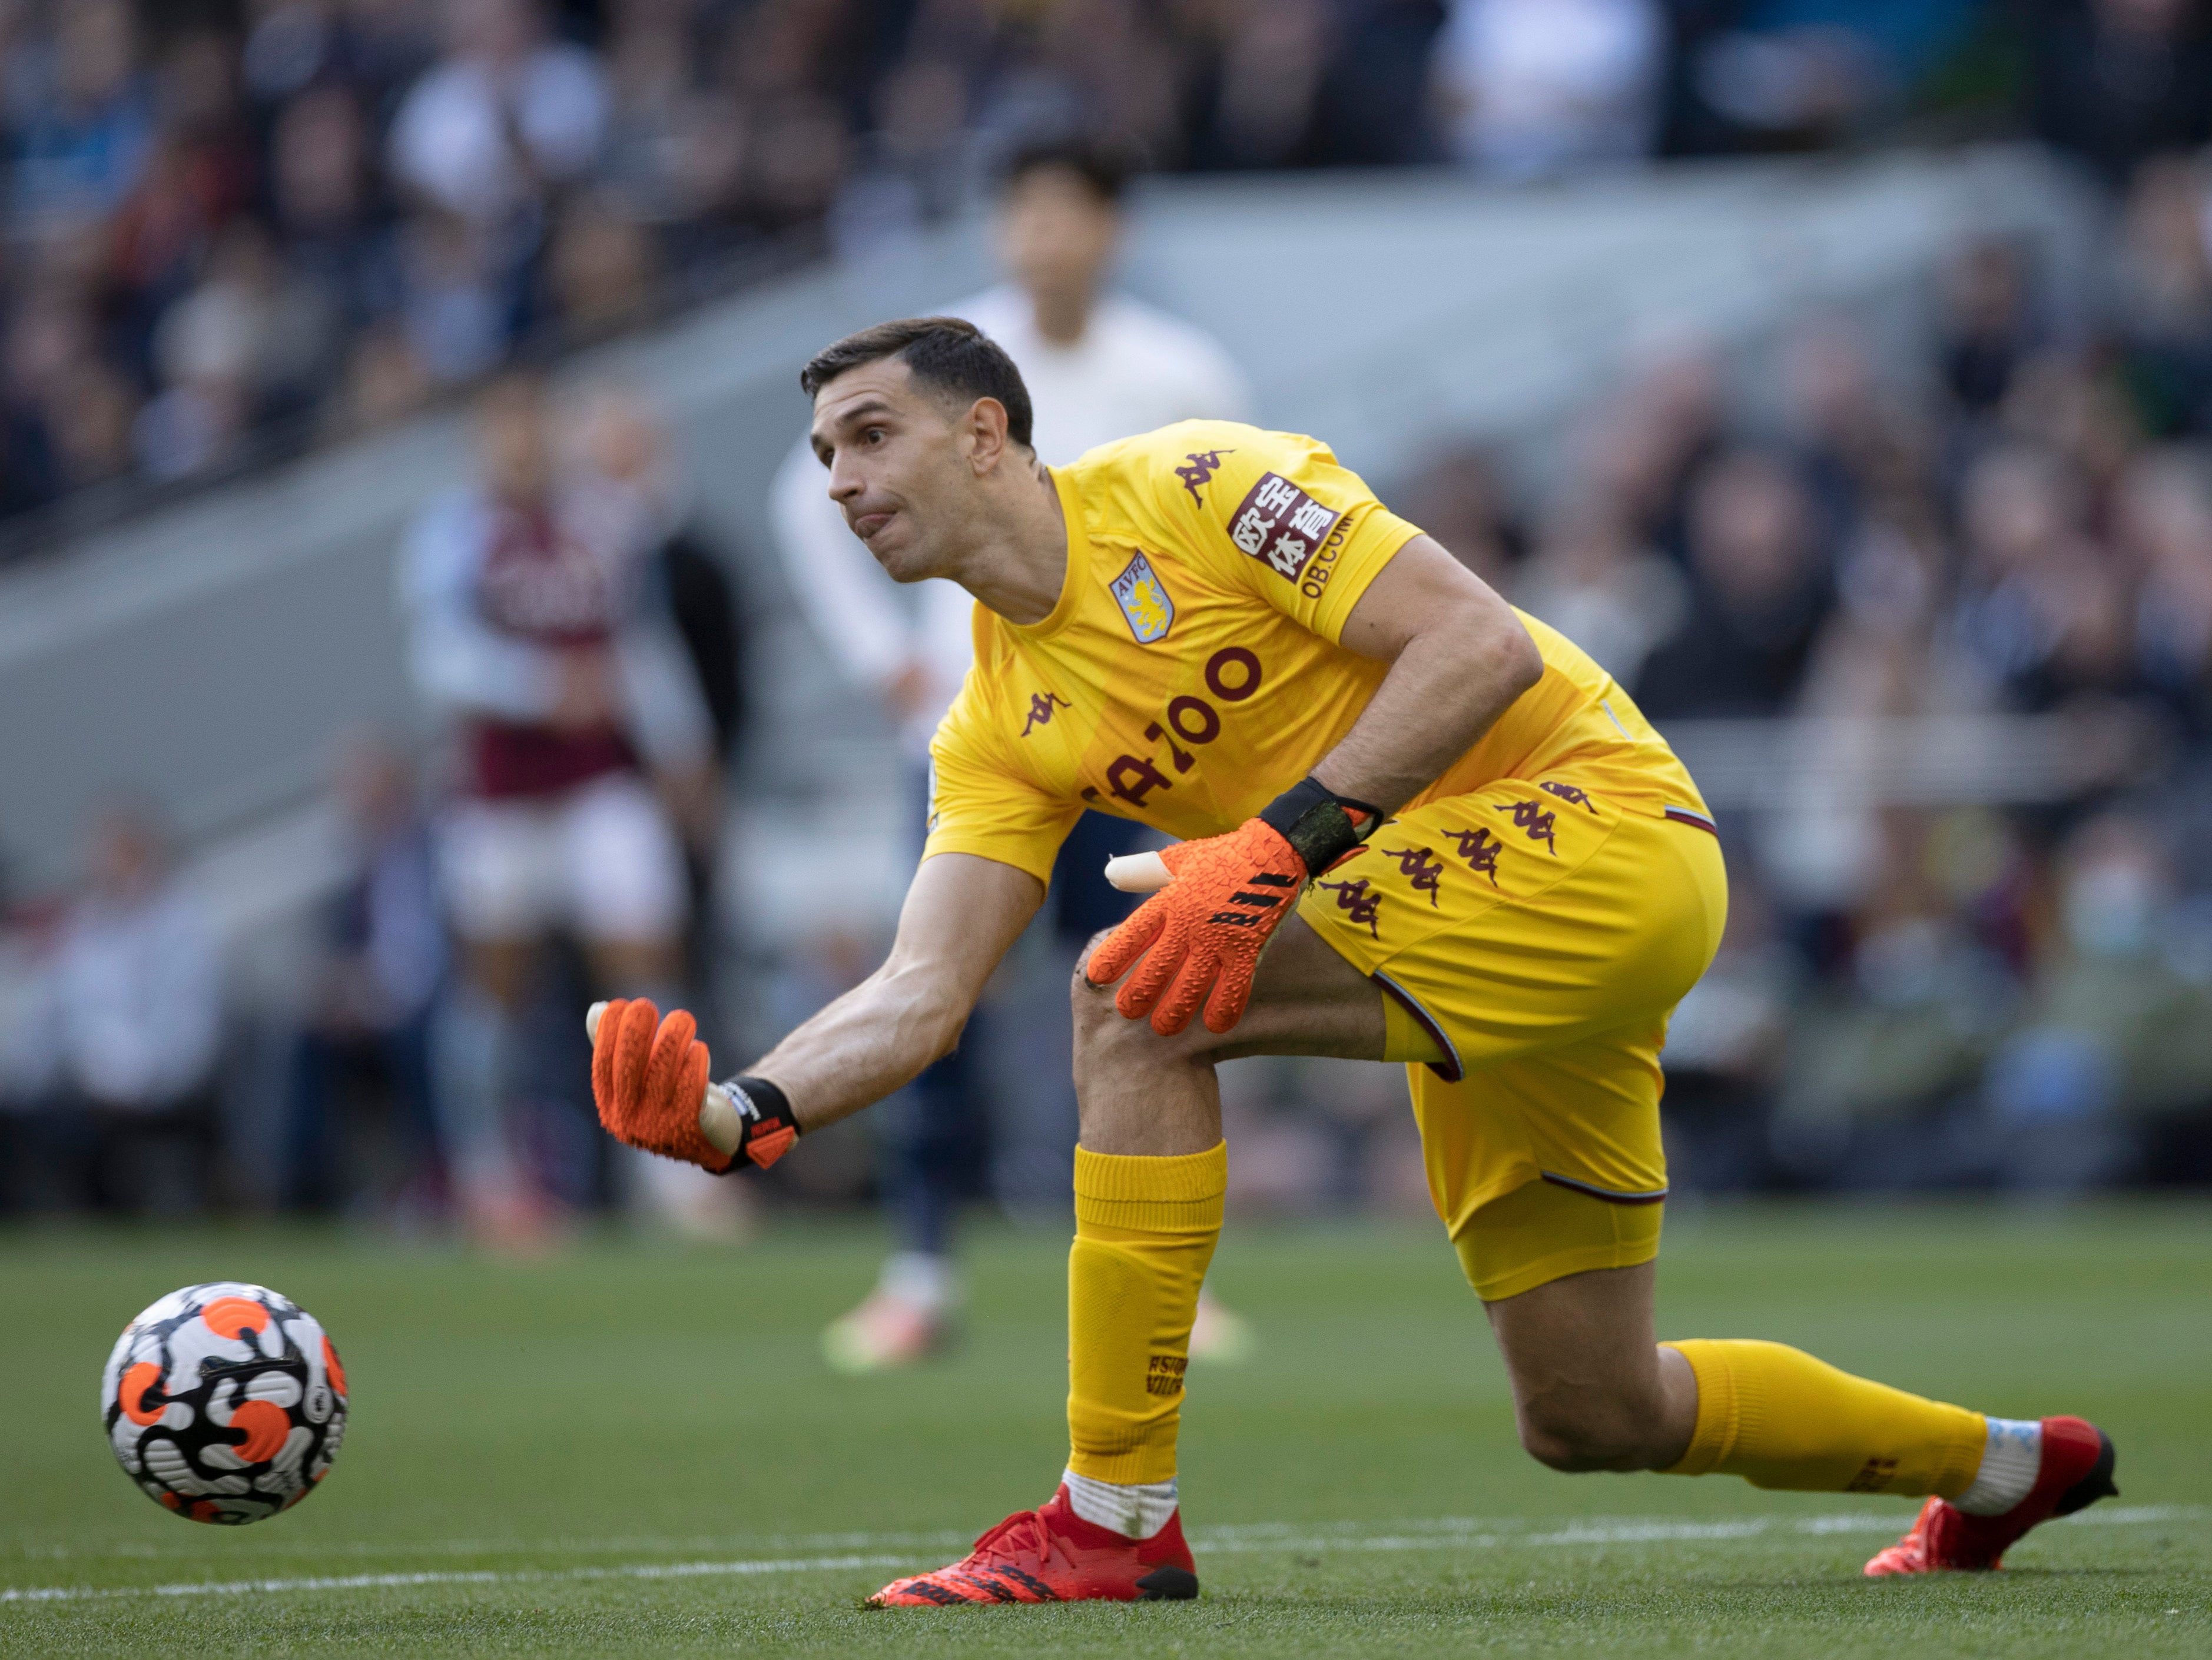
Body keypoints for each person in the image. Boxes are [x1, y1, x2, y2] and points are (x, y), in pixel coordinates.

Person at [588, 318, 2120, 1605]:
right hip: (1454, 933)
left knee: (1129, 998)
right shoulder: (992, 722)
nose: (842, 484)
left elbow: (1478, 646)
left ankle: (1110, 1518)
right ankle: (1997, 1465)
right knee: (1593, 1411)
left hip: (1596, 837)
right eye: (822, 459)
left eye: (869, 437)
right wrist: (740, 1110)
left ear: (986, 431)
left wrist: (1269, 848)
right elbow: (920, 988)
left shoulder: (1202, 483)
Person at [772, 137, 1253, 1371]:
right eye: (1021, 212)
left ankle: (1166, 1279)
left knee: (1151, 993)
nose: (1040, 236)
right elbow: (806, 498)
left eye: (1065, 211)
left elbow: (1224, 540)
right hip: (976, 742)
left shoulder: (1178, 369)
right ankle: (920, 1273)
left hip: (1137, 746)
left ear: (1112, 228)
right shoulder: (934, 366)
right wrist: (887, 659)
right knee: (937, 997)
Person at [400, 370, 714, 1244]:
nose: (521, 443)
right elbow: (440, 659)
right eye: (503, 428)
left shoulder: (604, 522)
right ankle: (488, 1177)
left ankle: (671, 1169)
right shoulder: (451, 535)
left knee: (644, 965)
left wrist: (680, 747)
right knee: (493, 986)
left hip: (599, 782)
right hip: (497, 794)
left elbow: (642, 645)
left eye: (532, 423)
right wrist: (542, 689)